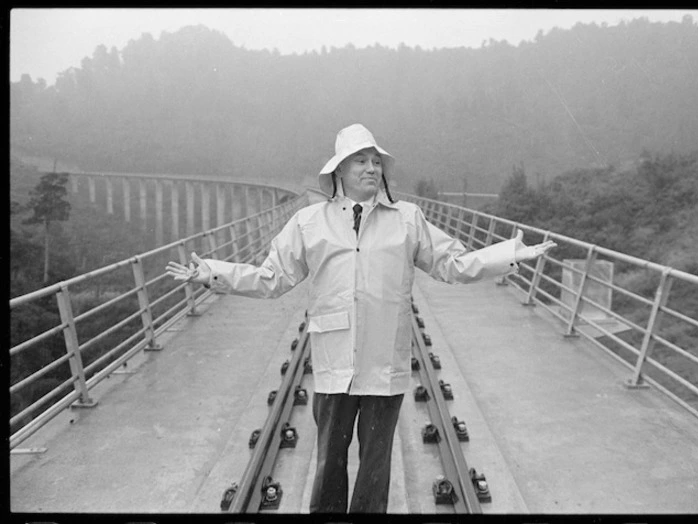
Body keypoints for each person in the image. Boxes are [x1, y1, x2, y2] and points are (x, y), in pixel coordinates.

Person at [166, 123, 556, 513]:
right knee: (328, 466)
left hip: (384, 366)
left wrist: (506, 256)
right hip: (334, 365)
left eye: (376, 162)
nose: (371, 168)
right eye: (361, 161)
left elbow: (451, 264)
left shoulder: (407, 219)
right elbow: (271, 279)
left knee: (375, 470)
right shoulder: (309, 223)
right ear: (339, 171)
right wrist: (212, 274)